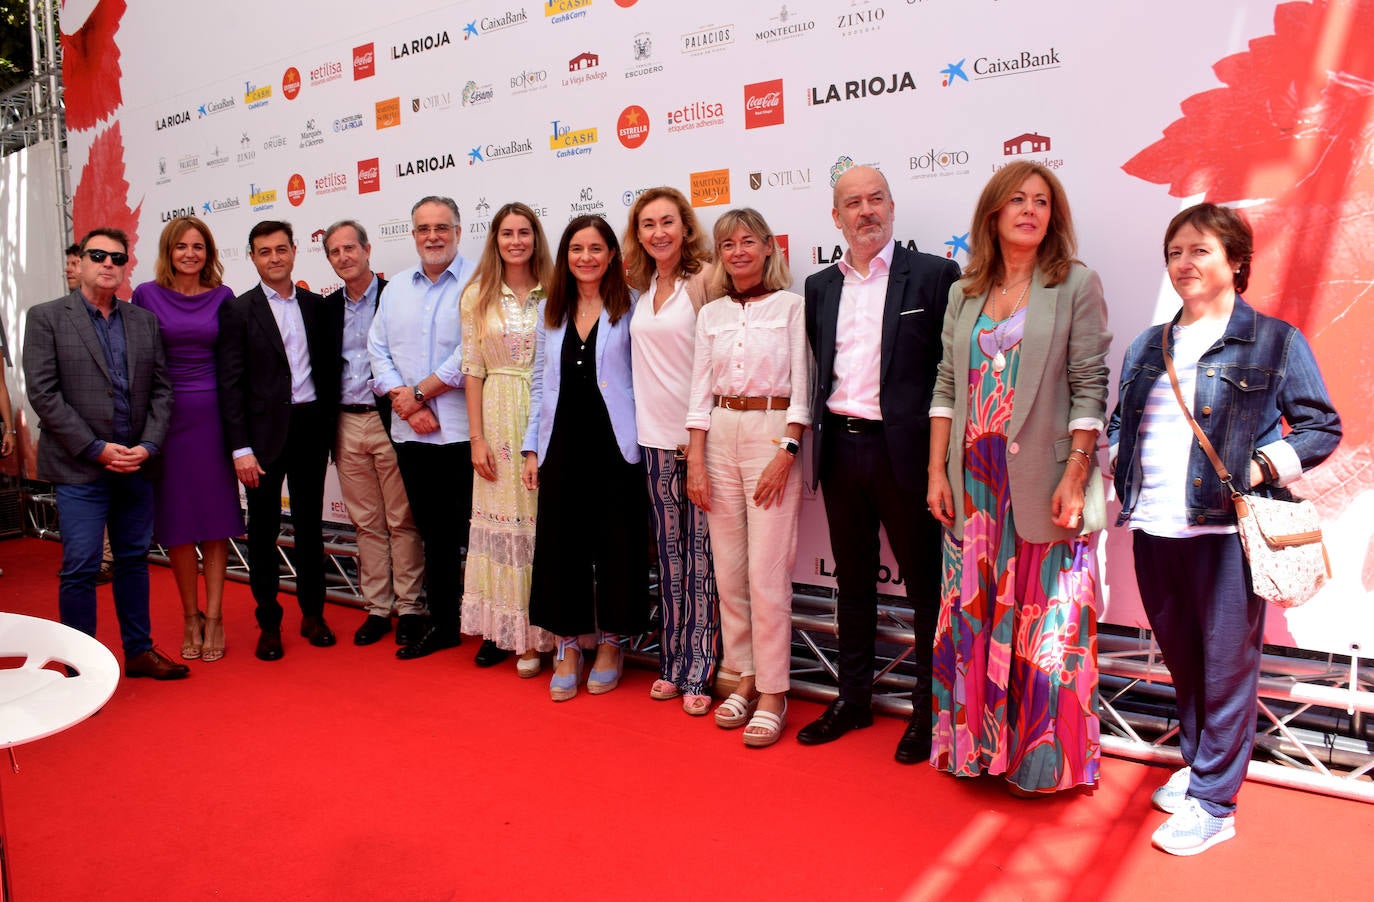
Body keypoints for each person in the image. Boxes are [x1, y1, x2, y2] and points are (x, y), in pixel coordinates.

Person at [1108, 203, 1340, 855]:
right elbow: (1122, 423)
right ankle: (1201, 764)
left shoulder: (1274, 342)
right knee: (1184, 659)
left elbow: (1320, 426)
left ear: (1236, 260)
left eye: (1200, 250)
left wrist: (1263, 464)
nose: (1184, 262)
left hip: (1226, 536)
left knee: (1227, 665)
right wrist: (1120, 462)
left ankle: (1214, 802)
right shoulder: (1146, 345)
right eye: (1175, 251)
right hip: (1154, 530)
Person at [926, 161, 1111, 794]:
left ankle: (1040, 762)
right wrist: (936, 471)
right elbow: (948, 385)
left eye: (1041, 201)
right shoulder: (964, 292)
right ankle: (977, 752)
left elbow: (1090, 386)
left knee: (1047, 626)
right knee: (971, 618)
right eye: (1016, 200)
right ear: (994, 214)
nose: (1029, 210)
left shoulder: (1075, 284)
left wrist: (1078, 473)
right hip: (973, 487)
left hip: (1046, 483)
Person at [799, 164, 961, 763]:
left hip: (910, 456)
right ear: (835, 216)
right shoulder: (819, 287)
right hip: (840, 450)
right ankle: (854, 699)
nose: (865, 211)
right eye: (852, 203)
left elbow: (953, 375)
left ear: (892, 207)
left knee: (926, 588)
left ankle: (928, 709)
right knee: (854, 582)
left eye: (875, 200)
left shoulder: (936, 277)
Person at [23, 228, 188, 679]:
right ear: (81, 261)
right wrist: (96, 449)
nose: (109, 263)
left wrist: (148, 446)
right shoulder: (46, 317)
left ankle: (138, 652)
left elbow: (161, 391)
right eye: (98, 255)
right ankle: (82, 670)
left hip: (136, 465)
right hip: (80, 468)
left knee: (134, 561)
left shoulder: (143, 321)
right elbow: (43, 393)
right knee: (80, 566)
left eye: (118, 257)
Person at [685, 207, 812, 748]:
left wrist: (787, 450)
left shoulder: (793, 307)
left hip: (770, 435)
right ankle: (743, 676)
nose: (738, 251)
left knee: (766, 575)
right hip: (719, 435)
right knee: (730, 575)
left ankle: (776, 690)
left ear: (767, 247)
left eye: (747, 241)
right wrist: (695, 457)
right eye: (727, 244)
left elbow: (803, 390)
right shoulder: (709, 313)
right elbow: (697, 392)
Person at [522, 215, 650, 701]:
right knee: (561, 545)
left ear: (613, 254)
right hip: (561, 443)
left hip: (617, 444)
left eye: (596, 248)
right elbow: (539, 382)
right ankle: (569, 645)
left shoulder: (633, 306)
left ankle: (613, 643)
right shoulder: (551, 310)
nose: (586, 258)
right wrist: (532, 446)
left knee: (618, 544)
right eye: (576, 249)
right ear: (565, 256)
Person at [217, 220, 340, 661]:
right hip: (260, 439)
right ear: (251, 257)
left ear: (293, 252)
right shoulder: (237, 310)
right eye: (264, 251)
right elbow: (229, 385)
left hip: (309, 429)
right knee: (263, 532)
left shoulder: (316, 305)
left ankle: (314, 615)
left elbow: (327, 372)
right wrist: (240, 448)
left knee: (311, 529)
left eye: (281, 249)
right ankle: (269, 623)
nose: (274, 257)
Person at [624, 187, 720, 715]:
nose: (658, 232)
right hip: (653, 442)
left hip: (696, 442)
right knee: (670, 559)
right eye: (647, 224)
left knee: (702, 561)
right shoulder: (640, 287)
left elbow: (718, 359)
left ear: (685, 226)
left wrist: (699, 439)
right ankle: (671, 662)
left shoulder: (703, 280)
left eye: (667, 221)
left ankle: (701, 670)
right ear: (637, 234)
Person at [369, 196, 478, 659]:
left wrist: (420, 392)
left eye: (441, 227)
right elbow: (378, 349)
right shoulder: (394, 289)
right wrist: (410, 406)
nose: (432, 236)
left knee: (478, 536)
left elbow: (474, 349)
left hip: (466, 432)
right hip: (413, 434)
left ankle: (491, 631)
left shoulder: (478, 281)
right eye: (423, 228)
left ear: (458, 230)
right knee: (433, 533)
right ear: (413, 234)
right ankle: (445, 625)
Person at [131, 216, 244, 663]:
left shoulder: (223, 297)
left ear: (209, 252)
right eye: (181, 246)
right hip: (166, 421)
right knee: (178, 524)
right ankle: (190, 615)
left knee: (216, 522)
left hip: (215, 418)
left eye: (198, 246)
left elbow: (234, 365)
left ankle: (215, 616)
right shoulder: (146, 296)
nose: (190, 253)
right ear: (168, 251)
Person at [322, 219, 427, 648]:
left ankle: (411, 608)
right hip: (345, 423)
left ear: (368, 250)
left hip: (392, 419)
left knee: (402, 520)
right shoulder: (325, 309)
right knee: (366, 523)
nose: (344, 257)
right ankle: (378, 608)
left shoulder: (397, 295)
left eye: (351, 248)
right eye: (335, 252)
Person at [460, 203, 554, 676]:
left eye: (524, 233)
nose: (516, 241)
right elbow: (472, 370)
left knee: (545, 527)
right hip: (496, 417)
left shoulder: (554, 290)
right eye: (506, 233)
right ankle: (522, 639)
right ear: (495, 240)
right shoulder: (477, 293)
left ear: (536, 238)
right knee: (507, 526)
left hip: (546, 413)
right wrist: (476, 438)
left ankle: (555, 631)